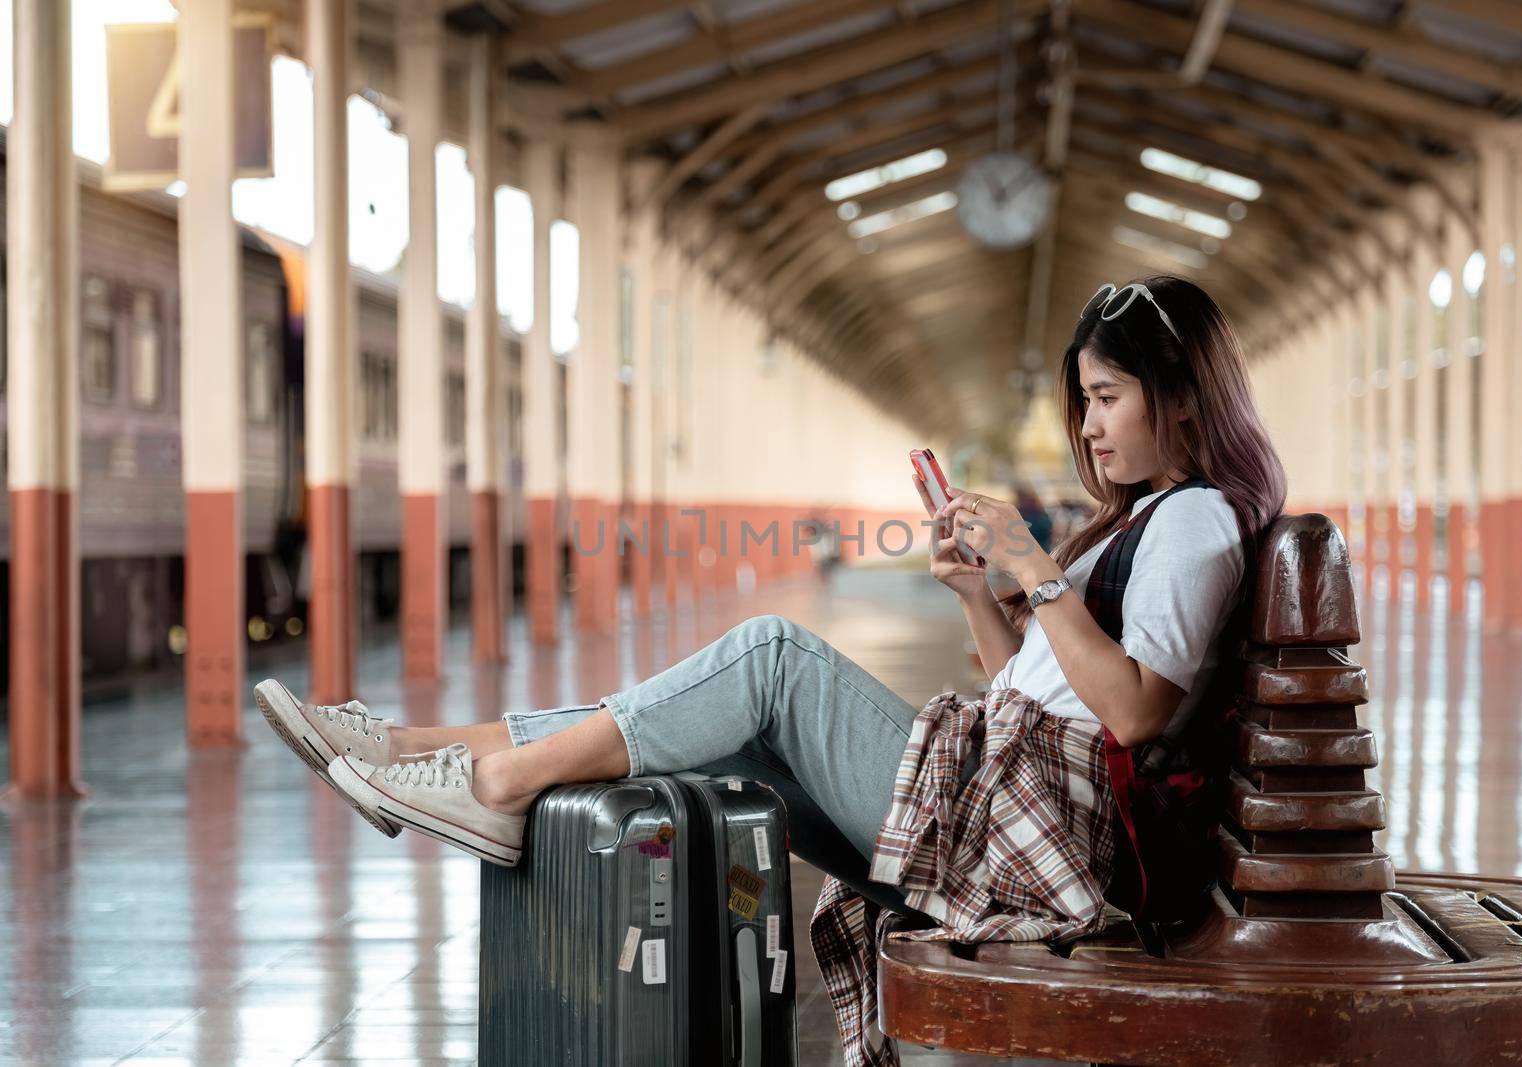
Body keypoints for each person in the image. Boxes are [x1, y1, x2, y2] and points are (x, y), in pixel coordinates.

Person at [257, 274, 1285, 1066]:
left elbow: (1136, 711)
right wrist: (984, 595)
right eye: (1086, 399)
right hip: (1012, 802)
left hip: (1038, 838)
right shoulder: (1154, 515)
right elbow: (1036, 686)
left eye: (1107, 397)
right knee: (704, 714)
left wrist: (1036, 572)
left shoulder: (1193, 521)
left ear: (1181, 399)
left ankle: (485, 781)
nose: (1092, 425)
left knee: (770, 656)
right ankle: (407, 749)